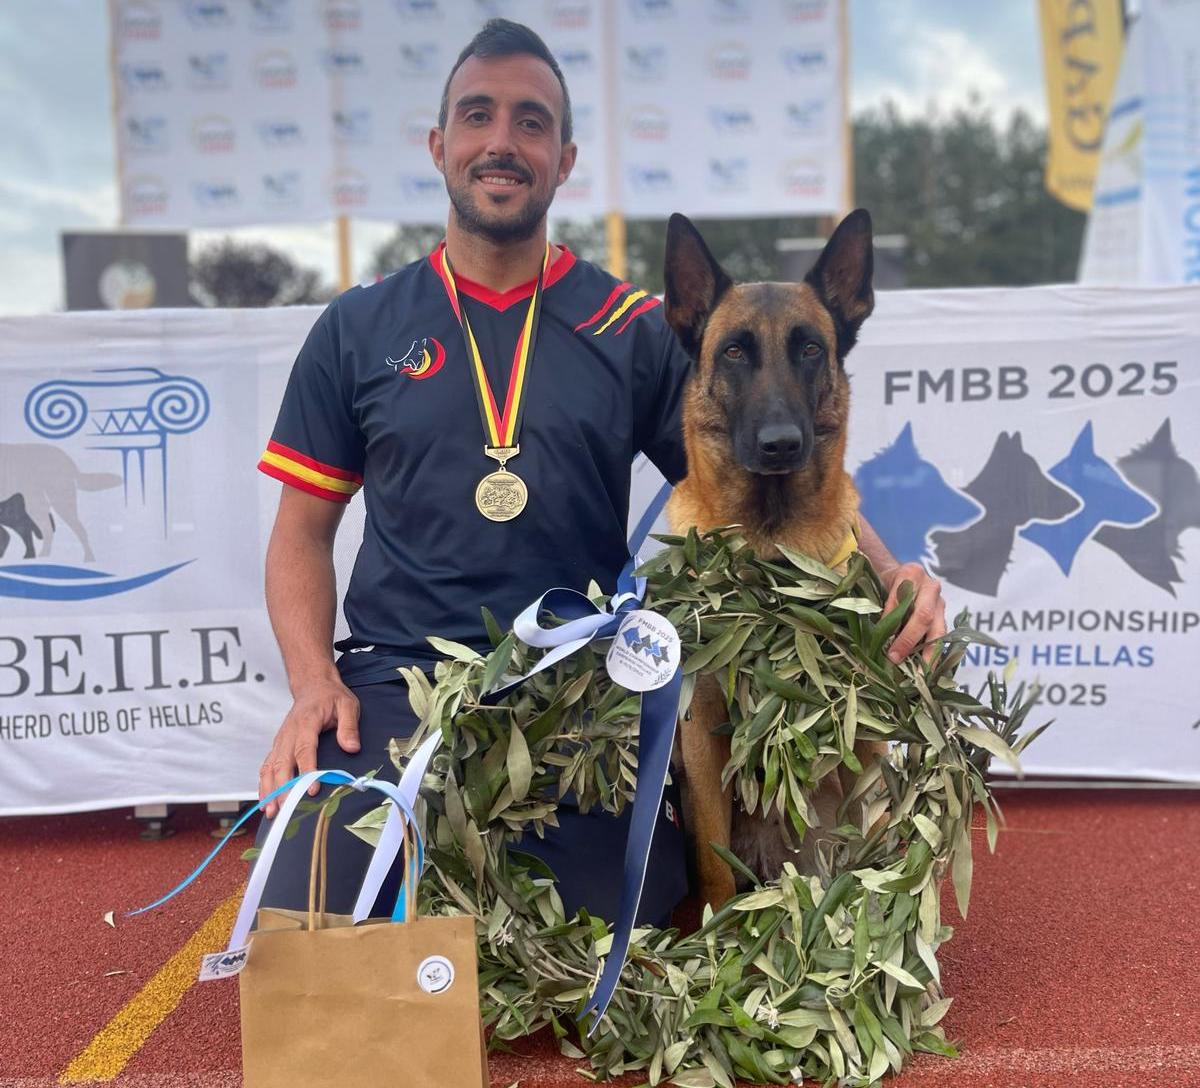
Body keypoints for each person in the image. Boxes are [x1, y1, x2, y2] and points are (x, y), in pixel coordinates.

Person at [252, 19, 947, 923]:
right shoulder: (357, 327)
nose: (502, 141)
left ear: (565, 158)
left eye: (531, 122)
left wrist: (891, 574)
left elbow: (756, 472)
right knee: (308, 924)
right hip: (398, 682)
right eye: (477, 115)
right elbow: (299, 536)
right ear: (438, 144)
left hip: (577, 688)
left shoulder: (632, 329)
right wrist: (315, 682)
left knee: (624, 933)